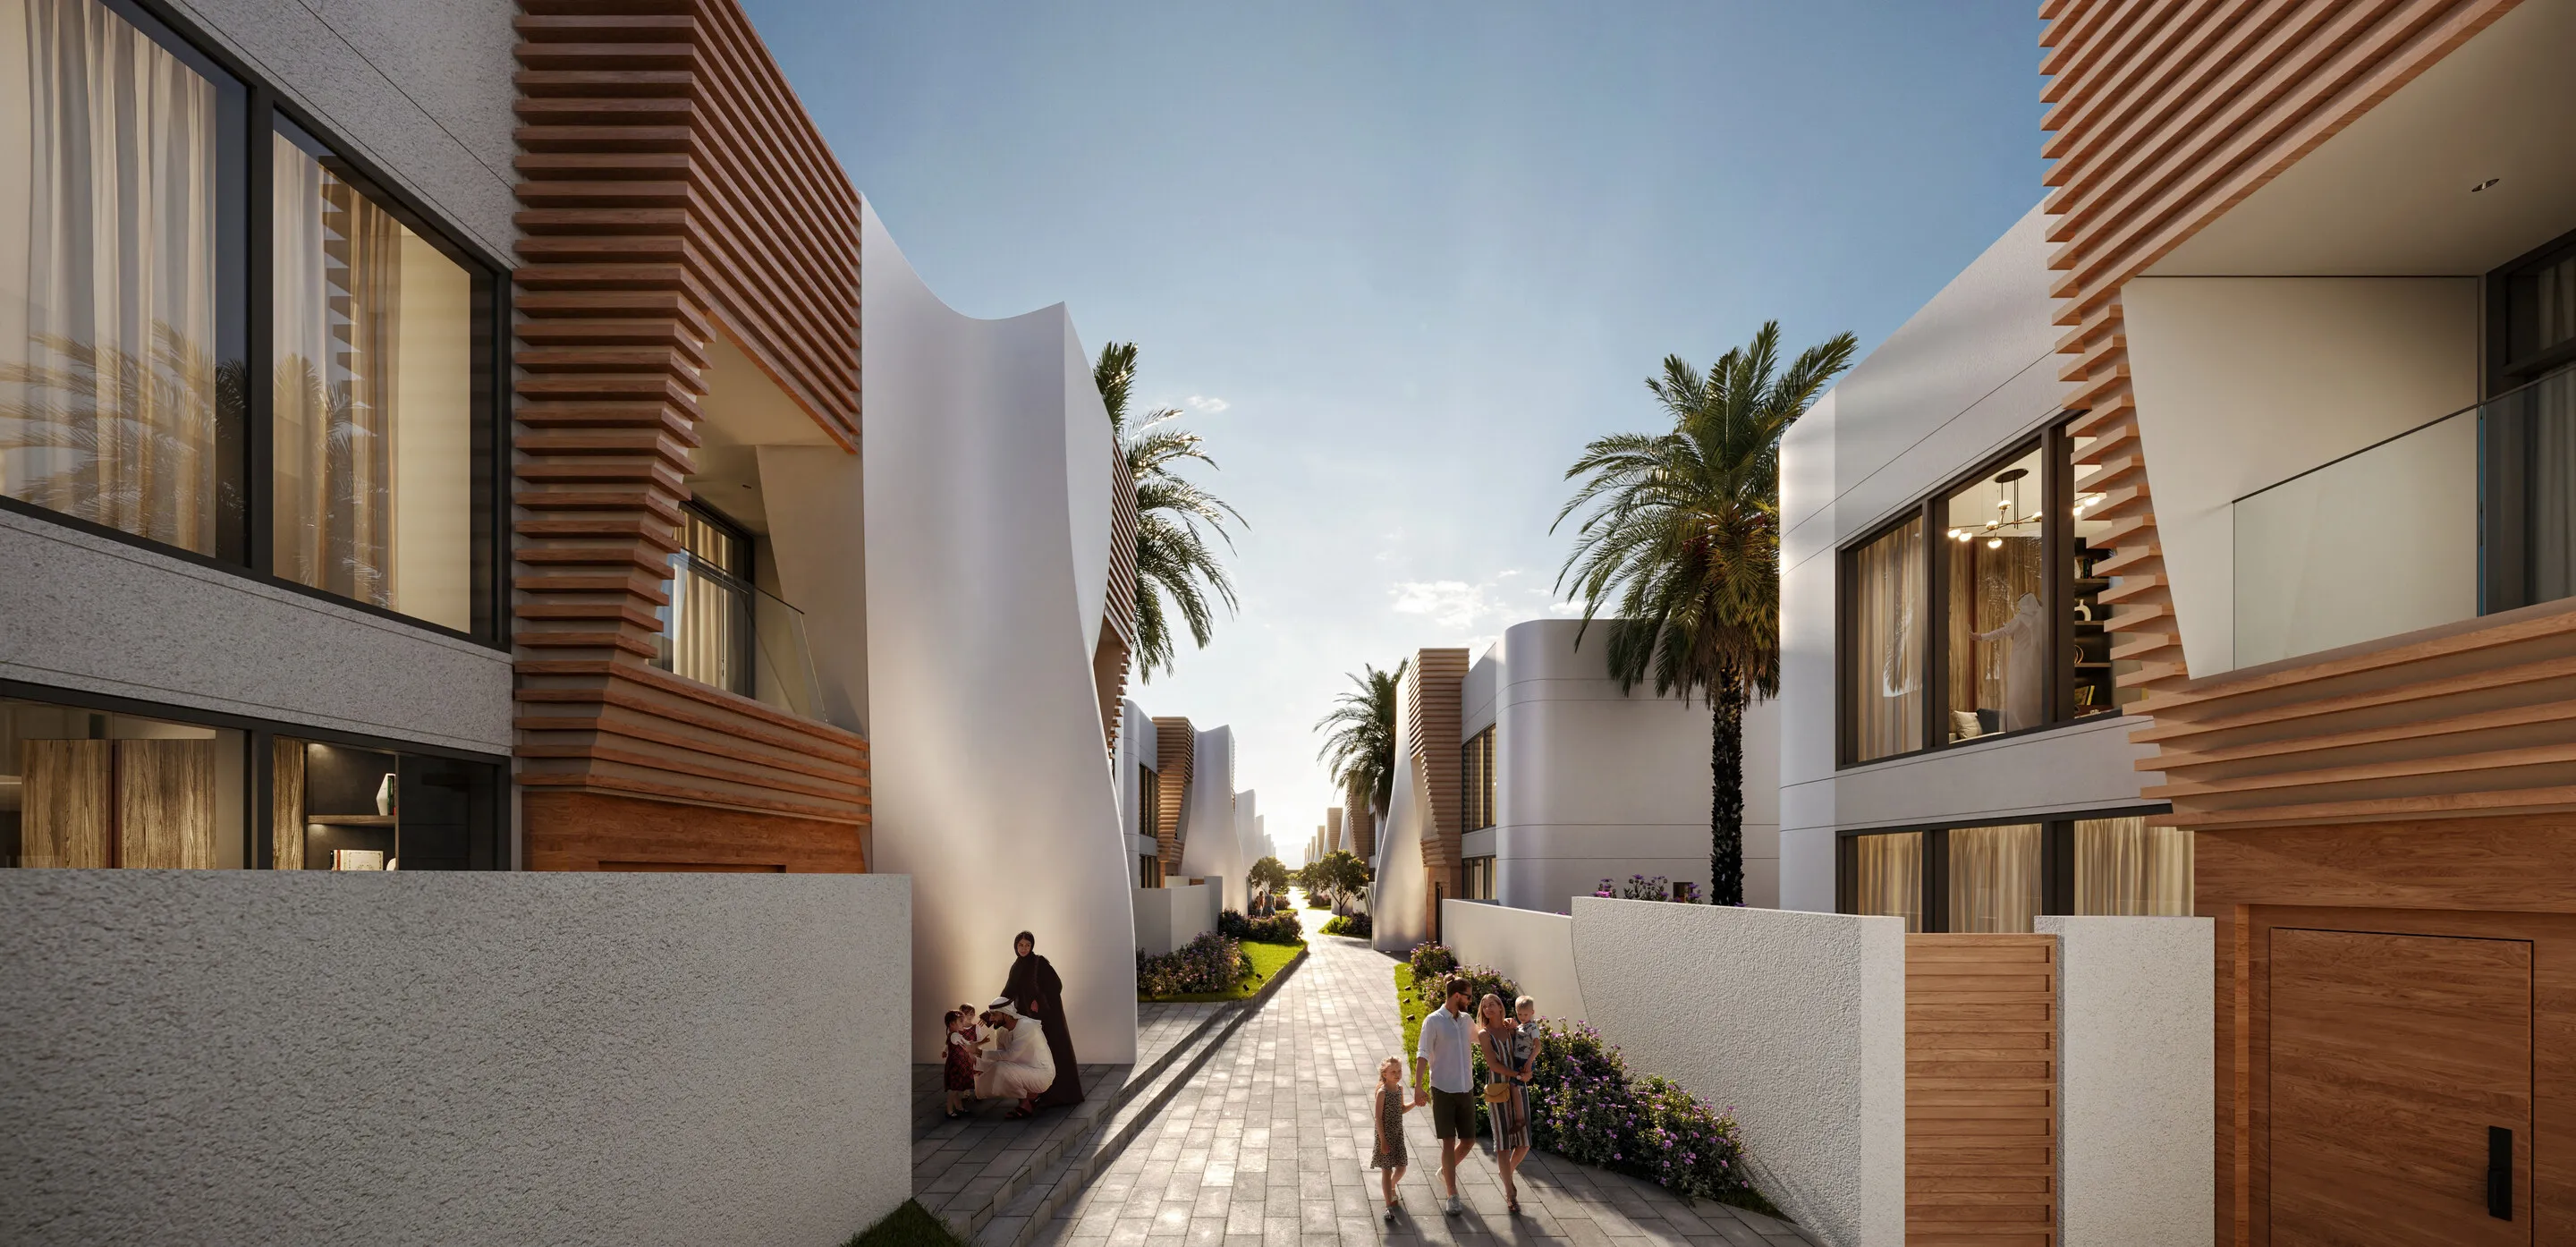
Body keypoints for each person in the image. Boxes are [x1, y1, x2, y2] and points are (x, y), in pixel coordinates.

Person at [1411, 975, 1479, 1217]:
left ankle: (1444, 1171)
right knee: (1448, 1142)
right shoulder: (1433, 1021)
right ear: (1457, 996)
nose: (1470, 1001)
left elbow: (1481, 1037)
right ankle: (1452, 1194)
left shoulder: (1467, 1020)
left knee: (1469, 1141)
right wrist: (1418, 1087)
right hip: (1442, 1090)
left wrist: (1503, 1024)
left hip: (1466, 1088)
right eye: (1468, 997)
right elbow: (1422, 1053)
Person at [1000, 930, 1085, 1107]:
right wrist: (994, 1009)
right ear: (1015, 946)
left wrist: (1039, 999)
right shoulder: (1016, 967)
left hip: (1047, 1018)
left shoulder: (1040, 963)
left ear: (1032, 946)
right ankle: (1036, 1093)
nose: (1024, 949)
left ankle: (1058, 1094)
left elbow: (1056, 985)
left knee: (1050, 1052)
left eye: (1027, 945)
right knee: (1033, 1056)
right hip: (1027, 1018)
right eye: (1021, 945)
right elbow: (1009, 991)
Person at [1476, 994, 1534, 1214]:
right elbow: (1493, 1064)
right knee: (1503, 1143)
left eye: (1492, 1004)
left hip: (1518, 1088)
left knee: (1525, 1143)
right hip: (1498, 1090)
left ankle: (1506, 1172)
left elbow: (1528, 1046)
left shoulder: (1512, 1028)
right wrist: (1517, 1075)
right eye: (1484, 1006)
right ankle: (1510, 1193)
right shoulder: (1484, 1034)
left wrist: (1527, 1071)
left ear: (1501, 1007)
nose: (1488, 1008)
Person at [974, 999, 1056, 1118]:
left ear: (1006, 1015)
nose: (991, 1019)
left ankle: (1027, 1102)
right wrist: (978, 1063)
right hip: (1022, 1069)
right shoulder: (1001, 1030)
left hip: (1041, 1074)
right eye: (990, 1014)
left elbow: (1010, 1056)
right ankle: (1029, 1096)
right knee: (986, 1065)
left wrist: (979, 1052)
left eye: (994, 1015)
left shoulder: (1026, 1026)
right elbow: (1001, 1056)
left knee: (1000, 1069)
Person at [1370, 1056, 1419, 1224]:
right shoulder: (1382, 1092)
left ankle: (1391, 1186)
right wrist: (1383, 1140)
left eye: (1399, 1071)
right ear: (1385, 1074)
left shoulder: (1399, 1089)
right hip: (1385, 1136)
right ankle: (1388, 1206)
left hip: (1397, 1135)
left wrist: (1415, 1103)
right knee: (1386, 1169)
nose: (1397, 1074)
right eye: (1393, 1072)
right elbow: (1378, 1118)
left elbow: (1401, 1109)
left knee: (1401, 1167)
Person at [941, 1008, 979, 1118]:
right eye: (961, 1021)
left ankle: (959, 1108)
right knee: (953, 1090)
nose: (964, 1023)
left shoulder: (955, 1035)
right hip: (956, 1066)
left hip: (957, 1064)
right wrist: (981, 1043)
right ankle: (949, 1111)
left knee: (956, 1089)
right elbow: (967, 1046)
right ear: (952, 1024)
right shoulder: (955, 1035)